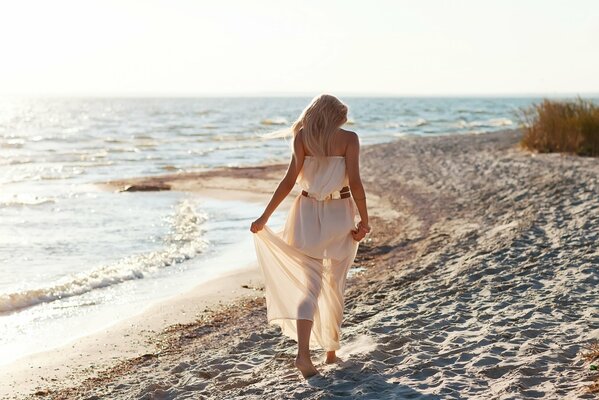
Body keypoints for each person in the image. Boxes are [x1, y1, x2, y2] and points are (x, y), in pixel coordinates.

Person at [250, 94, 371, 378]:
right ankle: (330, 352)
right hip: (339, 213)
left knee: (310, 288)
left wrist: (265, 216)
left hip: (305, 213)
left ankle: (304, 355)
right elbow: (355, 182)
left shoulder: (302, 137)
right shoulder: (349, 139)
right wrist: (365, 221)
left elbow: (288, 180)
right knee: (335, 284)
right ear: (335, 115)